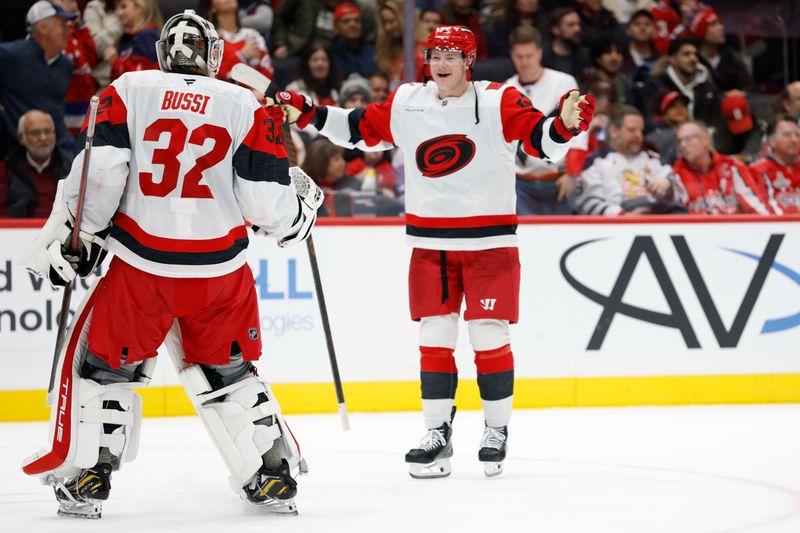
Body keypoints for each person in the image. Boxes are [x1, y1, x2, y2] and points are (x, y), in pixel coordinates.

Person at [20, 10, 323, 519]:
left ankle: (92, 475)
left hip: (144, 267)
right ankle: (272, 473)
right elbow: (265, 203)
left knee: (105, 371)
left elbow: (100, 174)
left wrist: (84, 232)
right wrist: (300, 211)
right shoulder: (243, 103)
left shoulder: (129, 88)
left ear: (164, 52)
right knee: (230, 373)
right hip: (220, 273)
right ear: (212, 55)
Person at [273, 25, 595, 478]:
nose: (441, 64)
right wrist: (306, 111)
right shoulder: (408, 101)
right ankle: (436, 433)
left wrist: (564, 125)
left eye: (452, 55)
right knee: (434, 338)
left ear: (470, 61)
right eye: (435, 55)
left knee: (488, 335)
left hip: (489, 244)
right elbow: (358, 128)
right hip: (430, 245)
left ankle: (496, 430)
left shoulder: (498, 100)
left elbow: (541, 143)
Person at [504, 26, 588, 214]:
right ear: (512, 55)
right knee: (525, 237)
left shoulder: (564, 83)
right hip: (520, 183)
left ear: (539, 53)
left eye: (529, 55)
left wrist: (572, 174)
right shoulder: (506, 90)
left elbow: (579, 131)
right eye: (519, 56)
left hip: (557, 178)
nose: (525, 62)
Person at [0, 1, 75, 158]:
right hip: (18, 155)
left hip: (58, 152)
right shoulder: (11, 56)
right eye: (62, 25)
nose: (68, 32)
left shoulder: (66, 65)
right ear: (42, 27)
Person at [574, 105, 677, 215]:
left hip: (657, 219)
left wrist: (667, 183)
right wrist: (622, 215)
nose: (638, 135)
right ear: (613, 131)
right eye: (631, 130)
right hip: (616, 225)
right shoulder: (596, 162)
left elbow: (678, 186)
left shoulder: (653, 159)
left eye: (640, 131)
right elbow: (587, 203)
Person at [671, 120, 770, 214]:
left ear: (706, 139)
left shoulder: (731, 167)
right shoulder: (677, 175)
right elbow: (680, 217)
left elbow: (754, 205)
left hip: (733, 229)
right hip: (698, 230)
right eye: (679, 141)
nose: (683, 145)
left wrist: (769, 225)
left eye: (688, 138)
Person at [1, 110, 72, 217]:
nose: (43, 138)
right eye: (35, 133)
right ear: (21, 138)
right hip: (20, 230)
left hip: (62, 230)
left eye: (48, 131)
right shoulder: (7, 168)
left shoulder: (71, 165)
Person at [199, 0, 274, 83]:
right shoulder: (209, 39)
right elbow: (213, 76)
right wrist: (241, 56)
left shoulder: (253, 35)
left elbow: (267, 74)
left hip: (255, 94)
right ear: (211, 8)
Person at [749, 115, 800, 215]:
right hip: (775, 226)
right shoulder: (757, 171)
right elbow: (761, 210)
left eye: (797, 135)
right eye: (787, 135)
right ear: (771, 141)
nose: (794, 140)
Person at [107, 0, 162, 81]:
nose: (118, 13)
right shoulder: (125, 38)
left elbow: (144, 77)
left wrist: (116, 62)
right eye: (117, 8)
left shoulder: (147, 36)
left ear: (140, 8)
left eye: (123, 7)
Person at [541, 7, 592, 81]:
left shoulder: (583, 55)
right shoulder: (542, 55)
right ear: (556, 30)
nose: (577, 29)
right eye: (571, 25)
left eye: (578, 24)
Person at [328, 2, 377, 79]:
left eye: (357, 20)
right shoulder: (330, 55)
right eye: (346, 21)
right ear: (336, 28)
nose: (352, 24)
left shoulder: (373, 51)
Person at [83, 0, 123, 88]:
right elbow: (94, 46)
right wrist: (119, 25)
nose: (121, 13)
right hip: (103, 81)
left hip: (128, 76)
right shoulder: (94, 7)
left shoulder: (135, 4)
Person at [645, 90, 689, 165]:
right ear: (665, 111)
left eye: (683, 105)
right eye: (673, 106)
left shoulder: (695, 131)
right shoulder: (655, 135)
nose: (680, 109)